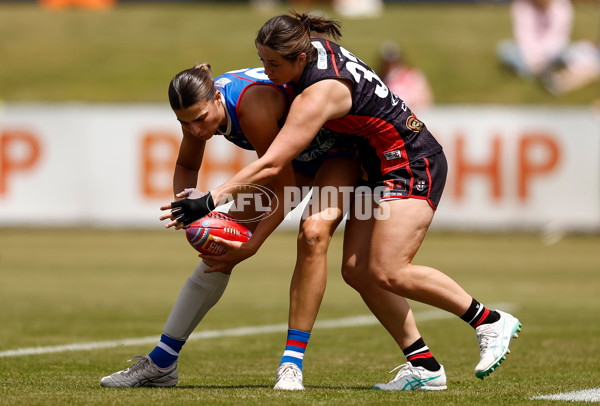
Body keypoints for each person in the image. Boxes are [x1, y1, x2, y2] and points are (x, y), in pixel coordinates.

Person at [161, 11, 522, 390]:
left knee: (388, 269)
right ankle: (425, 367)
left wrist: (211, 200)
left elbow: (274, 163)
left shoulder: (318, 93)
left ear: (300, 58)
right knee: (356, 270)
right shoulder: (307, 55)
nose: (265, 71)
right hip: (372, 164)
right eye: (262, 60)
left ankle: (489, 321)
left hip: (410, 162)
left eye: (272, 63)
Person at [497, 0, 573, 79]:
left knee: (572, 52)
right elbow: (524, 37)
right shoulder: (521, 5)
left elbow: (559, 37)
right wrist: (534, 58)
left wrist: (544, 57)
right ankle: (545, 71)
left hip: (554, 51)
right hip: (530, 54)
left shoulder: (561, 4)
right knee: (504, 48)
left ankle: (533, 72)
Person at [377, 40, 433, 112]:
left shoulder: (412, 75)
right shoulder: (380, 79)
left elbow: (426, 98)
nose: (390, 65)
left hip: (414, 114)